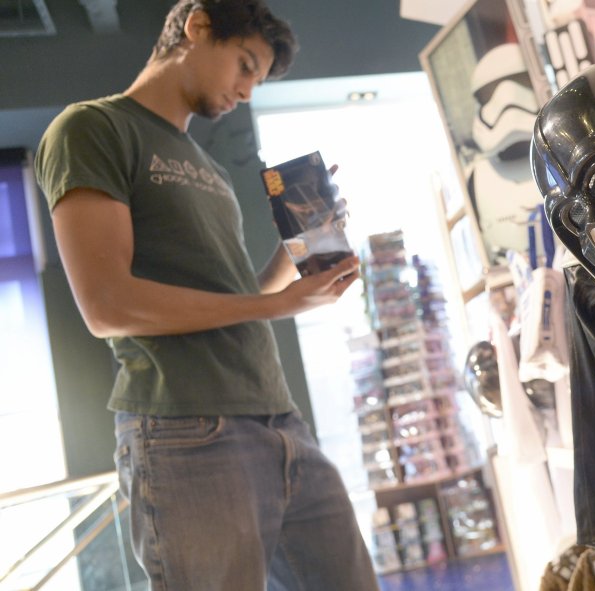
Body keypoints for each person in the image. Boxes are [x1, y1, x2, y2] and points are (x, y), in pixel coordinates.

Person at [34, 1, 379, 589]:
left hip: (278, 419)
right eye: (245, 65)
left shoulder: (210, 170)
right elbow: (107, 306)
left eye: (258, 80)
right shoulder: (92, 128)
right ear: (196, 27)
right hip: (185, 429)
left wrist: (290, 258)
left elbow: (234, 300)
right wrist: (279, 306)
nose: (247, 91)